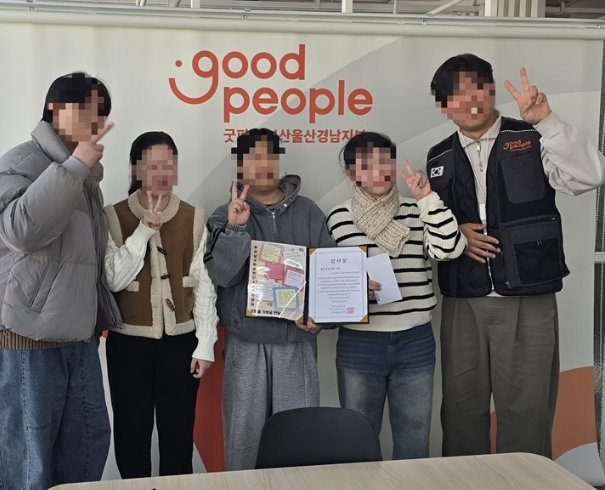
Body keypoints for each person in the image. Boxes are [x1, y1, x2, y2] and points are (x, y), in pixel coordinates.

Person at [426, 54, 605, 457]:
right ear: (443, 106)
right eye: (455, 95)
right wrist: (457, 233)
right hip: (463, 300)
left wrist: (547, 122)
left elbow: (591, 175)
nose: (468, 101)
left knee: (526, 413)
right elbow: (433, 222)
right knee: (461, 412)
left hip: (527, 296)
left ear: (491, 90)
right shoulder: (438, 156)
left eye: (476, 88)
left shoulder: (533, 136)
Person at [0, 72, 118, 489]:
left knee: (86, 455)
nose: (94, 121)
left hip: (77, 339)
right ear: (54, 109)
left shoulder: (84, 179)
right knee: (29, 469)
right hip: (25, 340)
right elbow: (21, 231)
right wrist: (75, 167)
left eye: (101, 113)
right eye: (86, 110)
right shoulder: (21, 163)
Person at [326, 132, 466, 459]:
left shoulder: (418, 209)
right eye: (367, 165)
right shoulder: (338, 217)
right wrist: (352, 287)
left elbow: (450, 249)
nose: (378, 171)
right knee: (357, 439)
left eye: (384, 162)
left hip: (415, 340)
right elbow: (328, 282)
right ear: (352, 175)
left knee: (414, 438)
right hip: (359, 342)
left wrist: (428, 199)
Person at [204, 128, 336, 471]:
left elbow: (328, 272)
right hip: (246, 344)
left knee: (298, 441)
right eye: (253, 157)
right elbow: (221, 276)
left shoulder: (308, 211)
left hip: (297, 344)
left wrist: (323, 317)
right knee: (244, 439)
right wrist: (236, 229)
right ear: (240, 165)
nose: (263, 164)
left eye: (270, 156)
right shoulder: (223, 214)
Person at [102, 131, 218, 478]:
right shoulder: (113, 216)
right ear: (136, 169)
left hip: (180, 342)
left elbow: (204, 285)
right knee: (131, 434)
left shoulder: (194, 216)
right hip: (128, 342)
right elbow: (113, 280)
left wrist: (205, 344)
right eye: (152, 165)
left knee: (178, 434)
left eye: (168, 164)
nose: (162, 173)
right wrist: (142, 232)